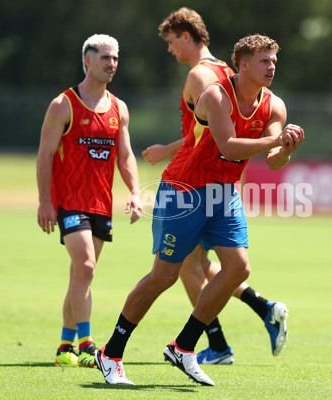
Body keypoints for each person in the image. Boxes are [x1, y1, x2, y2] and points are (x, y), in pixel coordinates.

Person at [95, 34, 304, 386]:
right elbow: (229, 147)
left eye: (273, 61)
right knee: (163, 276)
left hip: (224, 195)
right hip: (184, 191)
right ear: (243, 65)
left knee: (238, 268)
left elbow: (272, 161)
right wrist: (276, 140)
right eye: (264, 61)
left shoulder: (275, 105)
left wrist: (287, 149)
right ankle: (111, 353)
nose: (271, 67)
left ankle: (184, 346)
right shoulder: (216, 95)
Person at [142, 7, 290, 366]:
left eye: (171, 41)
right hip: (224, 183)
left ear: (187, 36)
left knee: (188, 268)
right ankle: (262, 308)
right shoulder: (227, 71)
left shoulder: (199, 76)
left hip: (194, 183)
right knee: (219, 265)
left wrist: (165, 150)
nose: (169, 49)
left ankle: (216, 345)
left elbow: (202, 138)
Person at [36, 34, 142, 368]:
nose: (111, 64)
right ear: (87, 60)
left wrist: (135, 191)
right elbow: (45, 156)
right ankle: (86, 344)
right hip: (69, 200)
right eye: (105, 58)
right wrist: (44, 202)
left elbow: (125, 156)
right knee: (85, 266)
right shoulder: (63, 104)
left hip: (101, 203)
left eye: (115, 58)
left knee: (80, 276)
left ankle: (65, 346)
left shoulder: (119, 108)